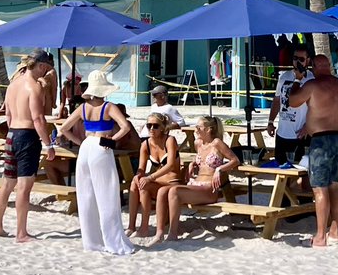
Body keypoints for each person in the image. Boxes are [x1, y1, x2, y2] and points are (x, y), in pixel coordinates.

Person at [58, 70, 136, 254]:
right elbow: (125, 127)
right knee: (107, 195)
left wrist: (80, 143)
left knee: (86, 196)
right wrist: (112, 140)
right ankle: (113, 242)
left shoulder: (83, 108)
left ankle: (92, 242)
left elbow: (63, 128)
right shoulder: (108, 107)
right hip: (102, 147)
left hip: (86, 147)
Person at [289, 54, 338, 248]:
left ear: (314, 66)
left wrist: (297, 81)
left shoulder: (313, 85)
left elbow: (293, 101)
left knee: (319, 188)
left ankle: (320, 236)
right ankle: (335, 231)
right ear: (330, 66)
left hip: (321, 140)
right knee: (334, 183)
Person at [0, 51, 56, 243]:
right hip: (27, 136)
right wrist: (48, 144)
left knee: (7, 183)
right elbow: (38, 119)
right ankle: (21, 232)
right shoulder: (34, 87)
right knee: (24, 187)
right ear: (42, 66)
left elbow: (9, 115)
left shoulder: (13, 85)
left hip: (11, 134)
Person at [150, 114, 238, 245]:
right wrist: (193, 164)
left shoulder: (217, 143)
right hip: (196, 184)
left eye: (198, 127)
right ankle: (160, 232)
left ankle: (173, 233)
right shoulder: (198, 144)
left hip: (209, 188)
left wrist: (220, 169)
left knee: (174, 191)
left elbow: (235, 160)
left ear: (208, 129)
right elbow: (202, 161)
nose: (195, 130)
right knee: (162, 191)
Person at [127, 113, 183, 237]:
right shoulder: (145, 144)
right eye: (149, 125)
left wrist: (150, 177)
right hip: (158, 182)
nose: (151, 129)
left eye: (155, 126)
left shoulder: (170, 140)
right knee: (135, 183)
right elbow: (141, 167)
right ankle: (131, 226)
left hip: (172, 182)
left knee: (144, 185)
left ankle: (144, 227)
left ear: (163, 127)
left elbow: (170, 165)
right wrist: (139, 175)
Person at [266, 44, 312, 167]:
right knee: (281, 170)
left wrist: (308, 126)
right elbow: (277, 100)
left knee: (301, 171)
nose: (297, 62)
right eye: (295, 58)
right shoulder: (284, 76)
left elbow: (317, 107)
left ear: (308, 60)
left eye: (301, 59)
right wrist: (270, 121)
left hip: (300, 134)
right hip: (282, 133)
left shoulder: (311, 79)